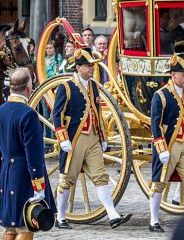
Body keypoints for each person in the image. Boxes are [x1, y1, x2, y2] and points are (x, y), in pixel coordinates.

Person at [52, 48, 132, 229]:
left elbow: (97, 112)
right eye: (88, 66)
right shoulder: (66, 87)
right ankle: (61, 217)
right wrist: (63, 138)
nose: (92, 69)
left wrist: (102, 136)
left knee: (100, 176)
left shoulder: (94, 86)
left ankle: (112, 215)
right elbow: (57, 115)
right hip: (74, 139)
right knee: (67, 179)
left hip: (93, 138)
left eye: (92, 66)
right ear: (78, 67)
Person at [148, 53, 184, 232]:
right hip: (168, 145)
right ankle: (153, 220)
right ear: (173, 75)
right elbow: (155, 124)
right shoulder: (161, 95)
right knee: (159, 182)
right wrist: (161, 147)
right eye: (183, 74)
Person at [0, 68, 56, 239]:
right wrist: (39, 188)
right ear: (29, 88)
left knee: (10, 227)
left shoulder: (1, 110)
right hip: (24, 175)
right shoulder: (28, 114)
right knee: (26, 226)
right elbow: (34, 155)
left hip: (6, 173)